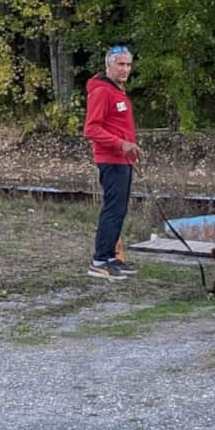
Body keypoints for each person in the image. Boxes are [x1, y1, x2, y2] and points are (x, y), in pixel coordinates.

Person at [82, 45, 140, 279]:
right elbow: (91, 129)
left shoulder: (118, 91)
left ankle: (112, 257)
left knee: (119, 209)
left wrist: (130, 147)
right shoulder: (102, 91)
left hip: (124, 160)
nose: (125, 69)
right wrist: (120, 144)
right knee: (112, 210)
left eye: (128, 64)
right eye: (120, 64)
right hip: (111, 159)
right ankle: (99, 260)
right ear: (109, 65)